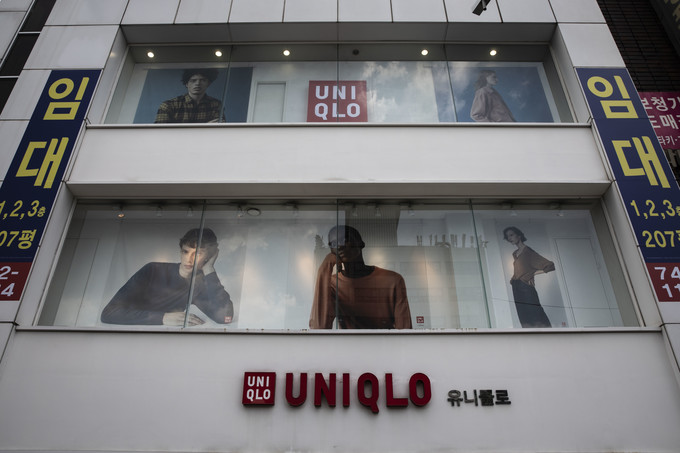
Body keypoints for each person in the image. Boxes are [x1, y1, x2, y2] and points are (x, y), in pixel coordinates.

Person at [101, 228, 234, 326]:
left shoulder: (198, 285)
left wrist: (209, 269)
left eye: (198, 253)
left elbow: (224, 317)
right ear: (180, 251)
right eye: (185, 251)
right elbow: (108, 313)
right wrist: (163, 318)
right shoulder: (153, 270)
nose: (189, 259)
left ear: (209, 256)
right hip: (127, 336)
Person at [309, 225, 412, 329]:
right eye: (334, 244)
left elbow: (405, 331)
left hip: (385, 340)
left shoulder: (393, 280)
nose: (340, 246)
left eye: (345, 240)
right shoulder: (332, 284)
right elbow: (319, 328)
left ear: (361, 243)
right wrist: (324, 269)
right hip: (349, 341)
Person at [503, 226, 554, 328]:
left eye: (511, 235)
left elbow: (550, 266)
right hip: (516, 287)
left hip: (526, 287)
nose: (509, 238)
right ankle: (530, 336)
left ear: (519, 235)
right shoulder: (515, 254)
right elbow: (521, 269)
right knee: (523, 316)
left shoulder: (528, 252)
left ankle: (547, 334)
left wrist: (532, 274)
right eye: (508, 236)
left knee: (535, 313)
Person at [154, 68, 224, 123]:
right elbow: (160, 132)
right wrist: (205, 127)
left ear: (208, 83)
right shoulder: (169, 105)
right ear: (186, 84)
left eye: (203, 80)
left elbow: (219, 131)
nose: (198, 83)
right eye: (193, 80)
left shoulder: (216, 105)